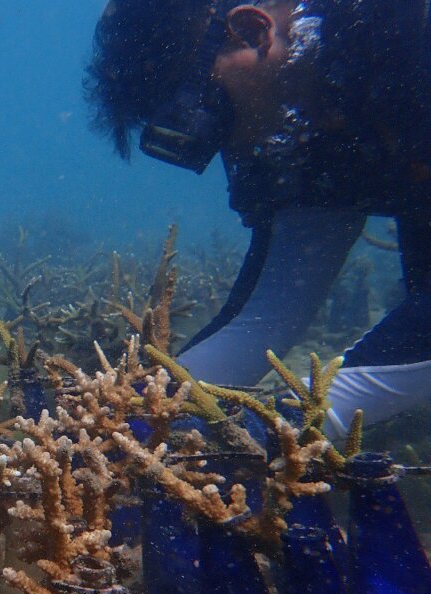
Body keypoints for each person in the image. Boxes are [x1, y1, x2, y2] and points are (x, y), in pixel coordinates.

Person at [85, 0, 431, 439]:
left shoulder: (411, 37)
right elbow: (267, 313)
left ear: (252, 32)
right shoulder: (297, 140)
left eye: (209, 112)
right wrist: (142, 422)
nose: (231, 144)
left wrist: (287, 427)